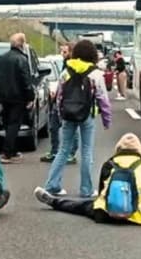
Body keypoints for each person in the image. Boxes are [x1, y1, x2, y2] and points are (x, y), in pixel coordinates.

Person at [34, 133, 141, 224]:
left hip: (106, 214)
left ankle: (53, 201)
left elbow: (103, 191)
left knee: (79, 206)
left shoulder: (109, 163)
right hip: (140, 214)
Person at [43, 39, 112, 197]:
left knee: (63, 150)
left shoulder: (66, 72)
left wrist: (60, 116)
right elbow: (103, 99)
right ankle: (86, 189)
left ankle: (52, 185)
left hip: (68, 115)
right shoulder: (95, 74)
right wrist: (106, 120)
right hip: (87, 115)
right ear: (92, 54)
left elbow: (59, 96)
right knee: (86, 151)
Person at [0, 33, 35, 164]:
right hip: (18, 97)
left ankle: (13, 150)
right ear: (22, 44)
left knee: (7, 123)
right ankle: (7, 153)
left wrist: (2, 85)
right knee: (14, 124)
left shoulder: (2, 57)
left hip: (3, 96)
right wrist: (30, 97)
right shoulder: (22, 59)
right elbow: (26, 80)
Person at [40, 43, 80, 164]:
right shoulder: (65, 64)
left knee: (72, 128)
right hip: (59, 100)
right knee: (53, 126)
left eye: (65, 52)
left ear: (71, 53)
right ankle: (55, 151)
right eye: (61, 51)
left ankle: (71, 154)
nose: (62, 54)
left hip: (69, 102)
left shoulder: (74, 66)